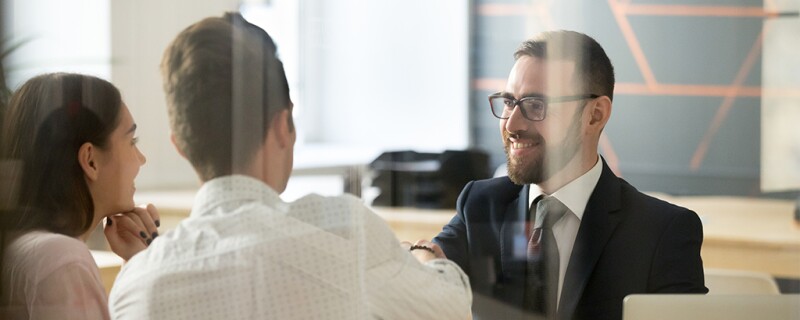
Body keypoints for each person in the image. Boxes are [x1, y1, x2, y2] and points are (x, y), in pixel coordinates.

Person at [108, 12, 471, 319]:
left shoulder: (137, 285)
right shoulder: (343, 233)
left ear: (180, 146)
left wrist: (140, 264)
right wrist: (425, 260)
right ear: (283, 126)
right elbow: (452, 309)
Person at [433, 30, 707, 320]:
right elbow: (424, 263)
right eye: (509, 102)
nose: (511, 124)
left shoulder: (662, 232)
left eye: (536, 105)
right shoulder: (481, 204)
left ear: (595, 115)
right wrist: (422, 254)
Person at [0, 73, 159, 319]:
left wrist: (133, 263)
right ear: (90, 160)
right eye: (131, 141)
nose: (141, 159)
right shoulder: (62, 259)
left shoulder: (20, 247)